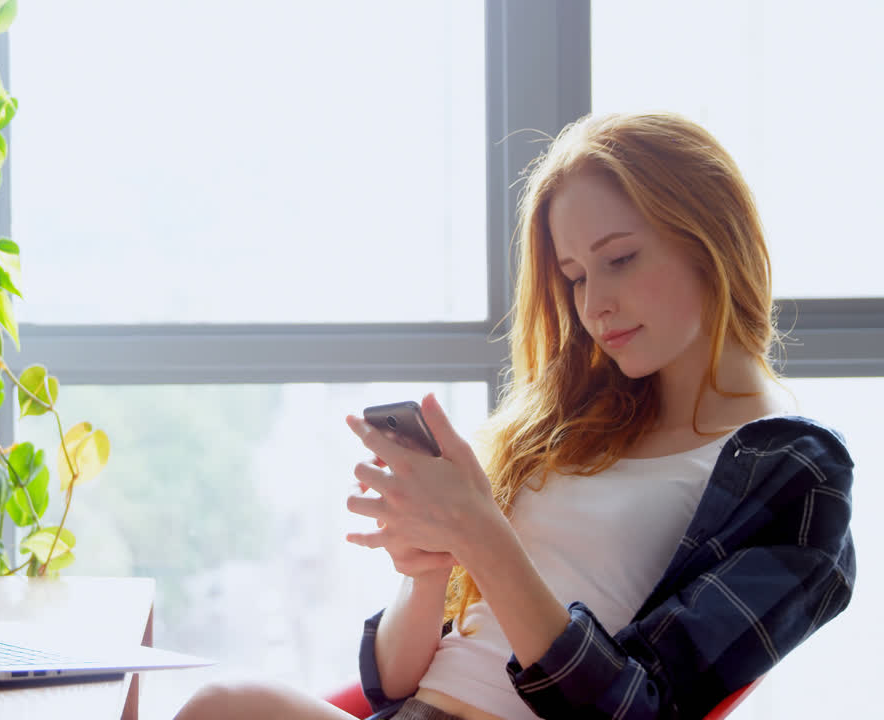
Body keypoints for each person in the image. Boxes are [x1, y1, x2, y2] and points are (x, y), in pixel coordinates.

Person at [173, 111, 855, 720]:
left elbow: (638, 709)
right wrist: (430, 569)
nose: (594, 305)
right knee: (220, 706)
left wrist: (483, 537)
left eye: (620, 259)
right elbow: (392, 685)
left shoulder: (795, 475)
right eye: (576, 276)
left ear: (712, 238)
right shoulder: (575, 423)